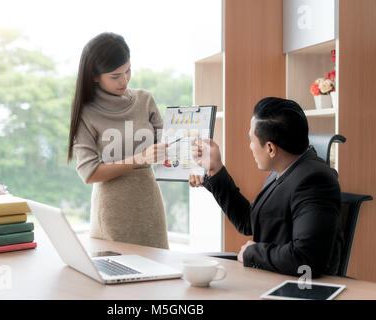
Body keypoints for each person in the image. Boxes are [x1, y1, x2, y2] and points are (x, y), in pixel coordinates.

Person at [188, 97, 343, 278]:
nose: (250, 147)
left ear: (270, 148)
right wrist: (215, 168)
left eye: (251, 140)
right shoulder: (283, 169)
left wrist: (252, 253)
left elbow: (306, 258)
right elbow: (249, 221)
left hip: (293, 287)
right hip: (269, 277)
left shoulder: (314, 181)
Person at [67, 32, 169, 249]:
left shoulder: (145, 100)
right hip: (112, 213)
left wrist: (192, 159)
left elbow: (168, 150)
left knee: (159, 275)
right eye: (115, 76)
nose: (124, 80)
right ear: (94, 75)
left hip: (150, 205)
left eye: (128, 70)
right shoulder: (87, 113)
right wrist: (140, 158)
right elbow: (89, 173)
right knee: (117, 274)